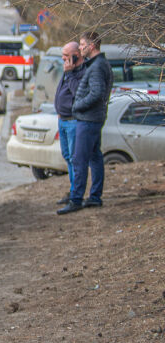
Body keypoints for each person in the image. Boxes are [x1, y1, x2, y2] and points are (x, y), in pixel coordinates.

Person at [60, 31, 113, 214]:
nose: (80, 48)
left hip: (88, 119)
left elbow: (97, 93)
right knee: (95, 157)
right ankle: (95, 197)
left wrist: (78, 106)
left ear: (91, 46)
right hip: (92, 118)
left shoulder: (97, 66)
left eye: (82, 45)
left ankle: (76, 199)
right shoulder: (97, 64)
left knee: (79, 159)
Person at [52, 41, 86, 206]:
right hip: (62, 120)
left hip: (73, 121)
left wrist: (70, 73)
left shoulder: (80, 72)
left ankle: (76, 194)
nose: (63, 59)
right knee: (67, 156)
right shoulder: (68, 70)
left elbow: (78, 93)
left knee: (74, 159)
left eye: (66, 56)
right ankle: (72, 190)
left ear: (76, 55)